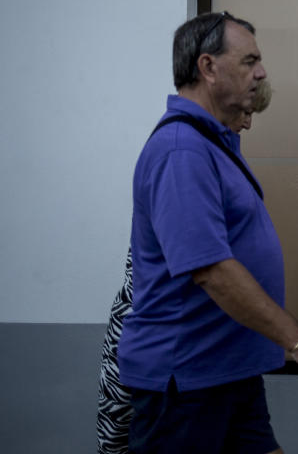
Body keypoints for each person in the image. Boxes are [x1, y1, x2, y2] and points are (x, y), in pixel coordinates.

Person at [117, 11, 298, 454]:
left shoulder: (209, 144)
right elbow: (212, 271)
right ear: (207, 67)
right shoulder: (182, 150)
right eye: (249, 60)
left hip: (227, 373)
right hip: (186, 383)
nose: (261, 73)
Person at [97, 80, 273, 454]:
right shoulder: (182, 153)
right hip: (179, 365)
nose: (248, 123)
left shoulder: (218, 155)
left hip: (224, 358)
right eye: (245, 112)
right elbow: (207, 267)